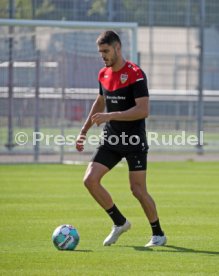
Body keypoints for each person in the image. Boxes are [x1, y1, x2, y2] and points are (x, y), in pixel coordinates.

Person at [76, 30, 166, 247]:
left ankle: (158, 234)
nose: (103, 56)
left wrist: (111, 115)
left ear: (117, 48)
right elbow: (99, 103)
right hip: (111, 140)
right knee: (90, 180)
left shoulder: (135, 73)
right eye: (100, 53)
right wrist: (83, 131)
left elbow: (143, 110)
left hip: (134, 140)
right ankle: (119, 222)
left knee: (137, 190)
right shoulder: (103, 74)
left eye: (106, 51)